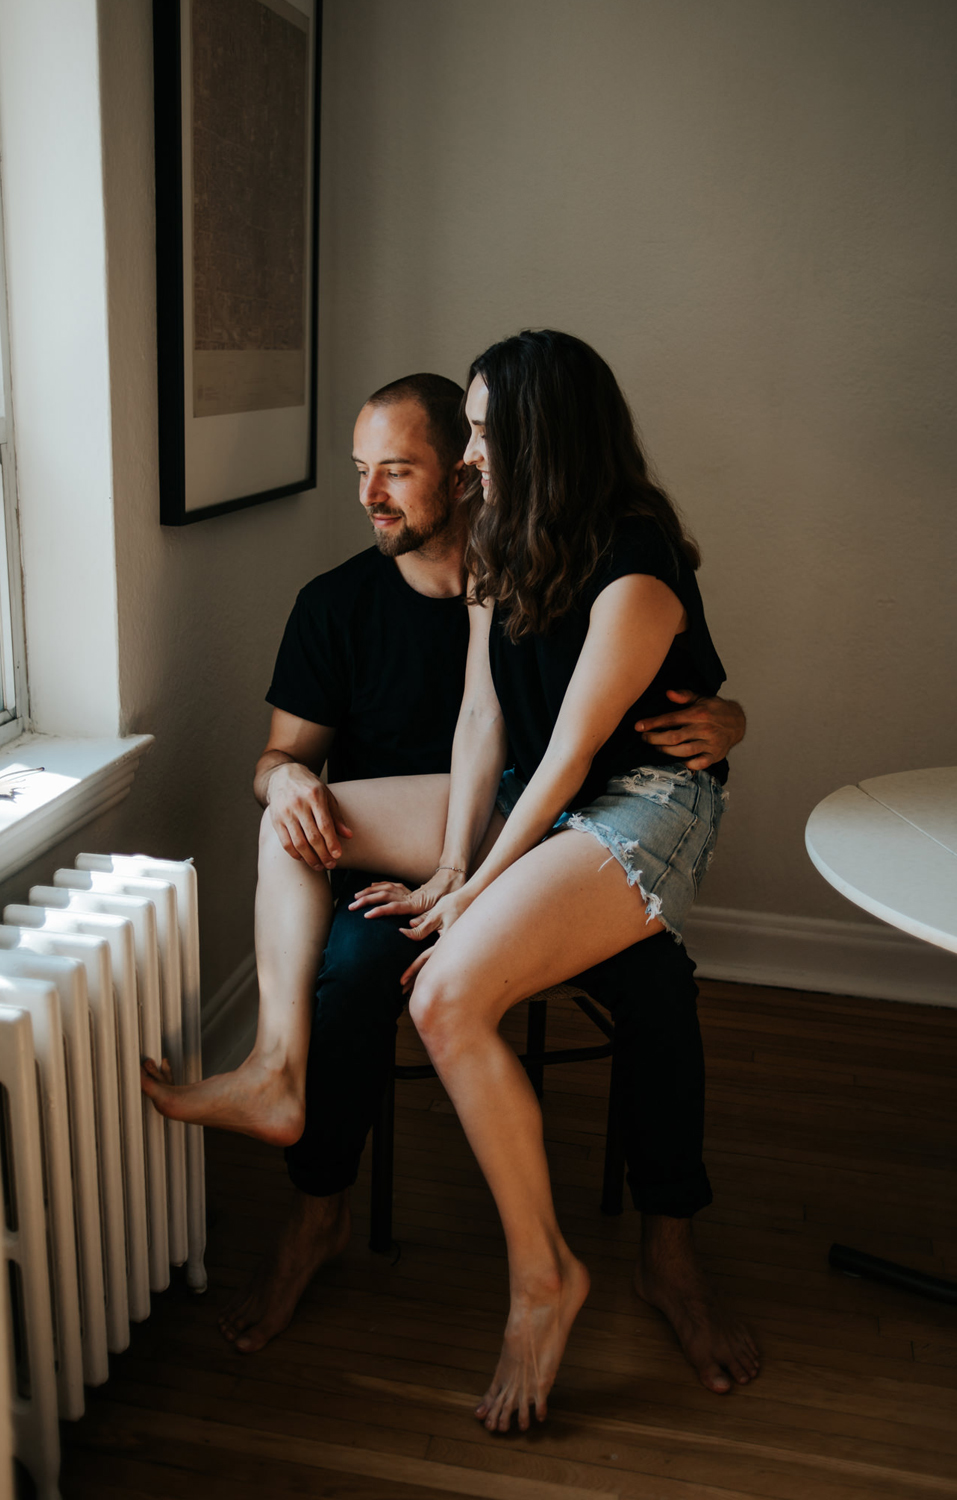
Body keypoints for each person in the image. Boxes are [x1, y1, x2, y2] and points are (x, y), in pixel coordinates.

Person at [144, 371, 761, 1397]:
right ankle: (309, 1188)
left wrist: (725, 720)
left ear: (469, 479)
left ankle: (668, 1257)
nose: (371, 494)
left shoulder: (541, 568)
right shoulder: (337, 605)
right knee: (344, 967)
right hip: (439, 843)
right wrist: (291, 778)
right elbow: (295, 757)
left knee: (661, 994)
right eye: (361, 472)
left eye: (399, 469)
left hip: (557, 831)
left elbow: (612, 718)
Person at [332, 329, 738, 1432]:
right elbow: (484, 717)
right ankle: (285, 1069)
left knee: (447, 992)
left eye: (479, 431)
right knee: (345, 864)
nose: (466, 455)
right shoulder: (498, 544)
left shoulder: (640, 565)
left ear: (540, 437)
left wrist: (465, 892)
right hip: (542, 794)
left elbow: (569, 758)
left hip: (646, 805)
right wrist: (457, 860)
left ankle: (540, 1282)